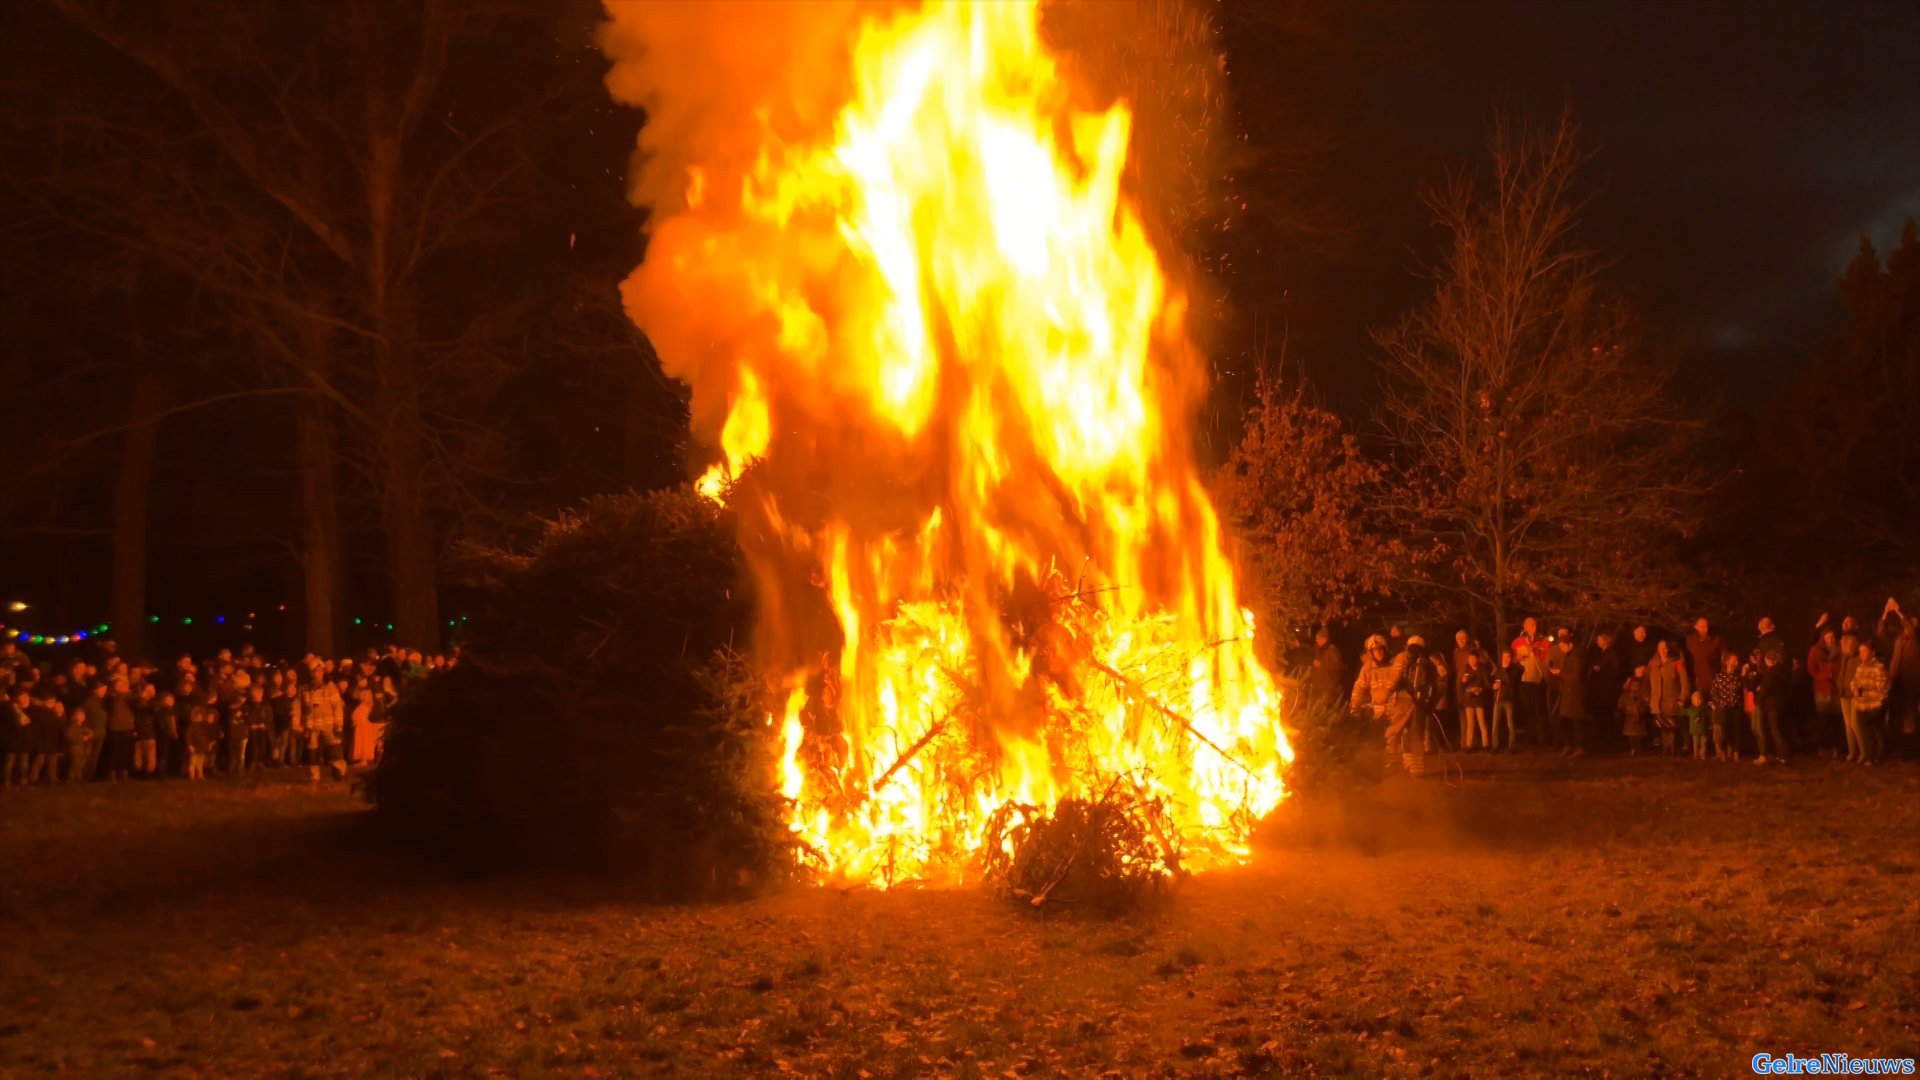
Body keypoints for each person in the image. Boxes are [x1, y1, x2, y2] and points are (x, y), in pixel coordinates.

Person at [1350, 633, 1416, 771]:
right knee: (1385, 737)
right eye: (1375, 650)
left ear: (1385, 649)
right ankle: (1390, 763)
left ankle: (1408, 761)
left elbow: (1407, 657)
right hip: (1380, 709)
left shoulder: (1396, 662)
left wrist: (1412, 649)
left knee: (1404, 733)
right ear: (1371, 652)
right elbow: (1359, 688)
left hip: (1400, 706)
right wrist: (1354, 707)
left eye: (1380, 649)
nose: (1378, 653)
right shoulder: (1368, 669)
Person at [1646, 640, 1690, 757]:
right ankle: (1665, 748)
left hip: (1671, 699)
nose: (1663, 650)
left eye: (1665, 647)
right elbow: (1646, 681)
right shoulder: (1652, 664)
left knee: (1671, 725)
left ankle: (1672, 748)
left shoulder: (1677, 663)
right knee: (1661, 726)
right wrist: (1646, 697)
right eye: (1660, 648)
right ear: (1657, 649)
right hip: (1657, 701)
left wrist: (1682, 697)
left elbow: (1684, 682)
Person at [1851, 640, 1890, 766]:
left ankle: (1878, 757)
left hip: (1874, 706)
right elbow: (1855, 681)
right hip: (1861, 705)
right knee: (1865, 732)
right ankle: (1869, 756)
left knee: (1876, 731)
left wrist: (1863, 692)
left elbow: (1881, 689)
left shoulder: (1879, 668)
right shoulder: (1860, 667)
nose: (1861, 653)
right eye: (1860, 651)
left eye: (1864, 651)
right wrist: (1854, 688)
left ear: (1872, 652)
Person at [1753, 648, 1791, 765]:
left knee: (1775, 730)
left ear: (1768, 660)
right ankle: (1783, 754)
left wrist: (1759, 699)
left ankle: (1782, 756)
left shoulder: (1771, 672)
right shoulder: (1782, 671)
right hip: (1781, 703)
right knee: (1779, 729)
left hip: (1772, 704)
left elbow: (1767, 688)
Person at [1554, 631, 1589, 757]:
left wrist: (1561, 674)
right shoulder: (1569, 656)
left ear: (1569, 644)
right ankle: (1569, 745)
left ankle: (1579, 747)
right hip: (1568, 693)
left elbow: (1577, 675)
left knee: (1576, 722)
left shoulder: (1576, 656)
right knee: (1565, 720)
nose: (1562, 649)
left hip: (1575, 694)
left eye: (1563, 646)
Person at [1709, 652, 1743, 762]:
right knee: (1723, 731)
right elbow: (1714, 692)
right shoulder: (1720, 677)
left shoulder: (1738, 677)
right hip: (1723, 708)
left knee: (1736, 731)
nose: (1736, 662)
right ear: (1728, 662)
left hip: (1735, 707)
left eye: (1737, 660)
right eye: (1734, 660)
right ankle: (1722, 753)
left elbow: (1741, 692)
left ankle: (1735, 754)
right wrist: (1719, 703)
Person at [104, 679, 137, 781]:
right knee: (114, 752)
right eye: (119, 684)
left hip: (127, 727)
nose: (122, 686)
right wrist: (120, 695)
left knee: (125, 751)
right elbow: (110, 705)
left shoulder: (129, 697)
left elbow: (137, 703)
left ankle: (124, 772)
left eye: (123, 684)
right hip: (115, 727)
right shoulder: (111, 697)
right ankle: (111, 773)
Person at [1459, 649, 1491, 751]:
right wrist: (1463, 681)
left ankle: (1485, 744)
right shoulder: (1466, 669)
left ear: (1477, 659)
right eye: (1470, 659)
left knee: (1481, 722)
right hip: (1469, 699)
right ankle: (1469, 745)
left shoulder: (1482, 669)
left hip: (1479, 699)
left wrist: (1481, 689)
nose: (1471, 660)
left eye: (1473, 658)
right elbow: (1462, 684)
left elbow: (1487, 685)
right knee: (1470, 723)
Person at [1684, 618, 1724, 698]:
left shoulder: (1716, 640)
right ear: (1696, 627)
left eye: (1706, 626)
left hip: (1714, 679)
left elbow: (1723, 657)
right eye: (1702, 626)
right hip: (1699, 681)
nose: (1706, 629)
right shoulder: (1691, 642)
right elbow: (1688, 661)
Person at [1491, 649, 1520, 752]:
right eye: (1504, 657)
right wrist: (1494, 686)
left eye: (1508, 657)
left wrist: (1505, 670)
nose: (1506, 659)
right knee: (1495, 724)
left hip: (1508, 699)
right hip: (1498, 699)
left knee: (1510, 724)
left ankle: (1512, 746)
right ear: (1502, 657)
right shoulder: (1498, 669)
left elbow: (1511, 682)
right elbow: (1492, 680)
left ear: (1511, 658)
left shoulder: (1513, 669)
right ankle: (1495, 746)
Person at [1621, 664, 1649, 756]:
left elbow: (1645, 701)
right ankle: (1633, 748)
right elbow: (1622, 702)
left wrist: (1641, 709)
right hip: (1630, 716)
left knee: (1638, 735)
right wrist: (1626, 709)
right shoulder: (1630, 683)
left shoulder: (1644, 682)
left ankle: (1637, 748)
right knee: (1631, 735)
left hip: (1639, 715)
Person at [1685, 690, 1710, 760]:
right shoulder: (1691, 710)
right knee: (1696, 743)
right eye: (1695, 700)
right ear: (1693, 701)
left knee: (1703, 743)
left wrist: (1710, 726)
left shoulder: (1705, 709)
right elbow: (1684, 712)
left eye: (1699, 699)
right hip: (1694, 730)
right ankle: (1695, 755)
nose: (1697, 701)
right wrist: (1681, 706)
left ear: (1701, 700)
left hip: (1703, 729)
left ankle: (1703, 755)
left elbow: (1709, 717)